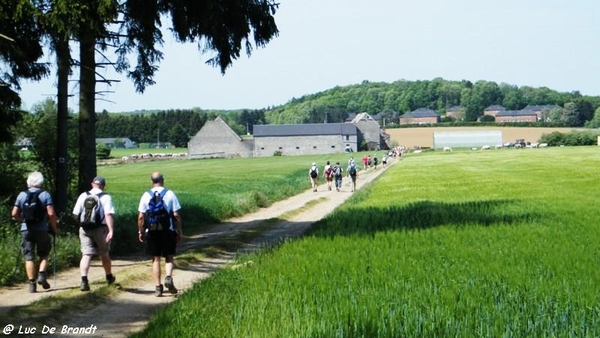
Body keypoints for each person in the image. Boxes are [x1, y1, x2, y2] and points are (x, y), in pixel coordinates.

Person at [11, 171, 59, 293]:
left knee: (29, 257)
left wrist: (22, 220)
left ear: (28, 182)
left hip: (26, 229)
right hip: (42, 229)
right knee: (44, 253)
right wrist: (54, 228)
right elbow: (51, 213)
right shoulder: (45, 195)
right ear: (41, 182)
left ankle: (32, 284)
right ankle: (42, 274)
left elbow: (14, 214)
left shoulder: (22, 195)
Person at [137, 172, 183, 297]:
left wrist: (141, 231)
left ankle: (158, 287)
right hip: (168, 230)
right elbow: (176, 215)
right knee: (169, 256)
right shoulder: (170, 194)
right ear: (163, 180)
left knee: (155, 259)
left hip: (151, 232)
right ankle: (168, 277)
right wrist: (179, 231)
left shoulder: (146, 195)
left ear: (151, 181)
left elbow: (141, 217)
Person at [72, 176, 116, 292]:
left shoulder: (83, 195)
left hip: (84, 228)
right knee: (104, 253)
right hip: (100, 229)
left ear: (92, 184)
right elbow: (108, 215)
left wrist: (83, 223)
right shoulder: (106, 197)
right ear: (103, 185)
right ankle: (109, 276)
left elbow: (76, 214)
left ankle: (84, 280)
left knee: (86, 254)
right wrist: (111, 230)